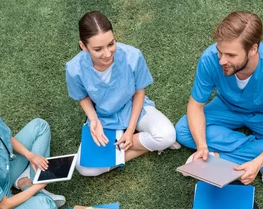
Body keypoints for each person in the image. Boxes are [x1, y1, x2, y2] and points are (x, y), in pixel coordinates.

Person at [176, 11, 263, 185]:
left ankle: (224, 157)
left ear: (253, 49)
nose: (222, 60)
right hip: (227, 107)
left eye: (231, 55)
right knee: (183, 130)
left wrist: (258, 162)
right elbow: (195, 106)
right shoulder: (210, 58)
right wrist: (202, 146)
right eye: (219, 51)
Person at [65, 11, 179, 177]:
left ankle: (125, 148)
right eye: (98, 49)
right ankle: (147, 145)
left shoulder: (133, 56)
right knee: (85, 168)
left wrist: (131, 129)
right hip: (103, 116)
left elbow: (139, 92)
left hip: (134, 107)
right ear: (83, 46)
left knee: (167, 135)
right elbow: (82, 97)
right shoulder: (74, 69)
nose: (107, 54)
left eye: (111, 44)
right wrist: (93, 119)